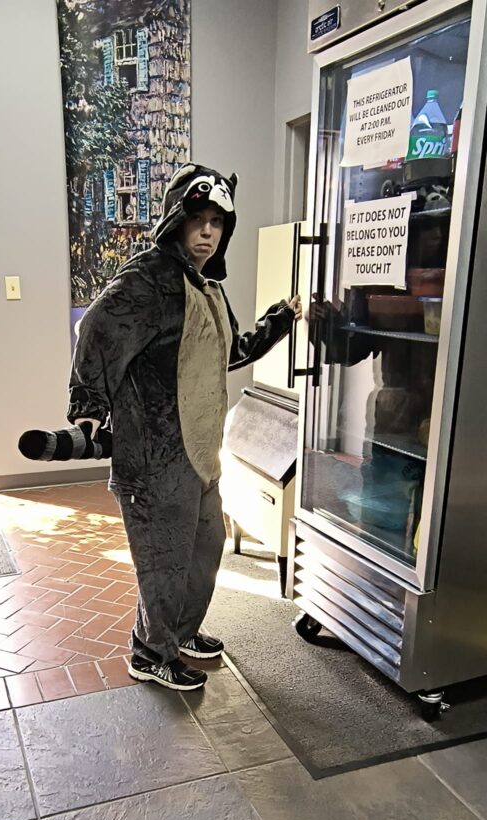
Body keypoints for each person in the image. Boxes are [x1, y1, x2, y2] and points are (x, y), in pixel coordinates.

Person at [68, 163, 302, 691]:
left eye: (217, 222)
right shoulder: (147, 280)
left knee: (205, 546)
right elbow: (95, 333)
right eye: (197, 219)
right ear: (177, 220)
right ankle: (150, 651)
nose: (206, 232)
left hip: (198, 452)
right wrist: (88, 407)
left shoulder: (206, 285)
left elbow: (229, 353)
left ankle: (180, 632)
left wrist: (279, 321)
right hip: (152, 456)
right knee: (164, 564)